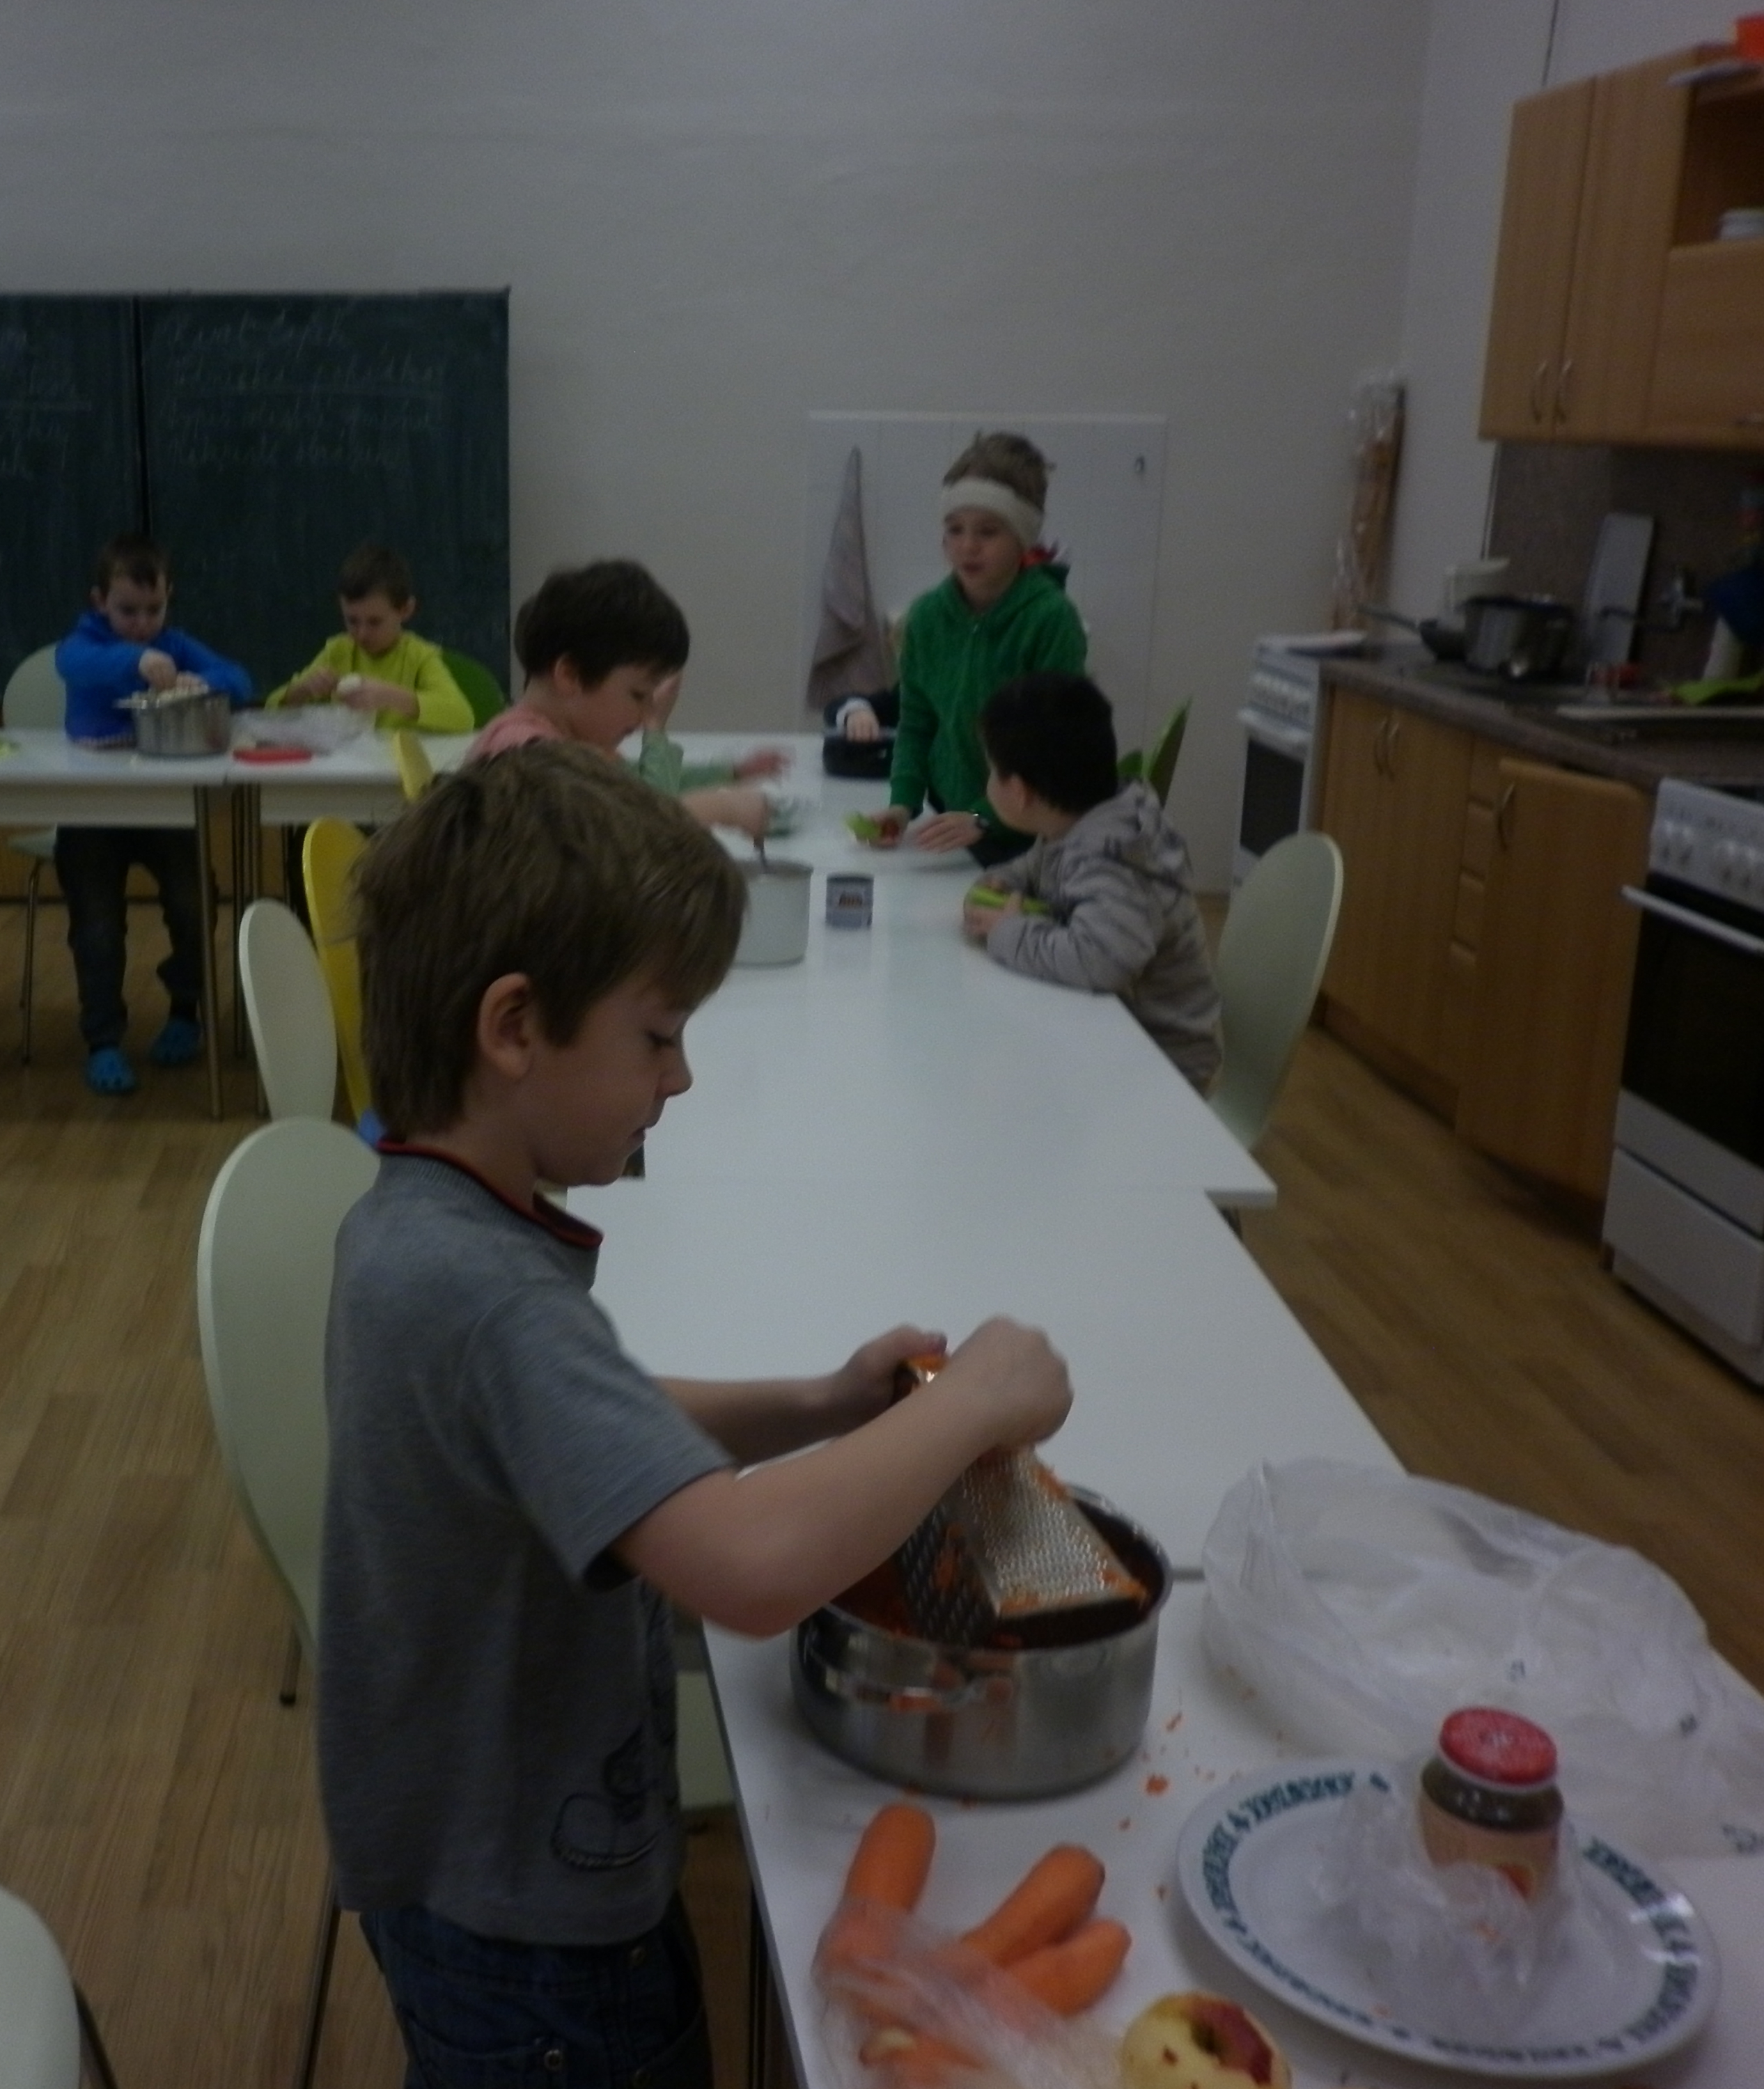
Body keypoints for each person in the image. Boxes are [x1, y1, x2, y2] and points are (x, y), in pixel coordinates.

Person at [325, 740, 1072, 2086]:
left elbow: (588, 1432)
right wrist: (976, 1403)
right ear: (514, 1028)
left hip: (463, 1872)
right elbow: (750, 1570)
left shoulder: (418, 1223)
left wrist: (819, 1405)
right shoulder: (491, 1299)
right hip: (535, 1940)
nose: (679, 1081)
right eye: (657, 1038)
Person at [52, 533, 255, 1096]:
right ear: (99, 602)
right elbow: (74, 663)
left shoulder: (175, 645)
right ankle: (103, 1040)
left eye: (154, 609)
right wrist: (137, 660)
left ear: (169, 599)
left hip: (166, 806)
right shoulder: (85, 644)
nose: (142, 624)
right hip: (93, 809)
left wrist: (201, 681)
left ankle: (185, 1012)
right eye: (127, 611)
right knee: (97, 928)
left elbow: (240, 680)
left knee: (193, 906)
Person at [962, 672, 1221, 1089]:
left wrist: (1008, 933)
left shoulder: (1114, 855)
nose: (988, 782)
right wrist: (1004, 883)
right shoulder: (1077, 821)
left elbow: (1100, 962)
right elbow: (1037, 868)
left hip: (1160, 1067)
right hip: (1109, 1034)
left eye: (992, 772)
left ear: (1020, 793)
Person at [871, 432, 1087, 866]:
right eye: (955, 529)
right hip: (955, 827)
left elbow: (1056, 744)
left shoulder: (1050, 621)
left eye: (988, 531)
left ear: (1023, 539)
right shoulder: (925, 618)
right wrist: (902, 804)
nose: (968, 546)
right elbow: (916, 723)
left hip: (1035, 837)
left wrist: (985, 816)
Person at [465, 558, 785, 837]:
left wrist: (731, 773)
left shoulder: (570, 742)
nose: (645, 714)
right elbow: (639, 826)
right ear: (570, 675)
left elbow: (636, 783)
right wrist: (722, 807)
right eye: (639, 695)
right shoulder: (521, 752)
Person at [268, 542, 473, 732]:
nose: (362, 634)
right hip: (349, 757)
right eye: (352, 621)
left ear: (406, 610)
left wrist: (392, 697)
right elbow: (269, 709)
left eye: (375, 622)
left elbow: (463, 717)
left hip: (396, 758)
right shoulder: (338, 652)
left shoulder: (419, 657)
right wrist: (302, 690)